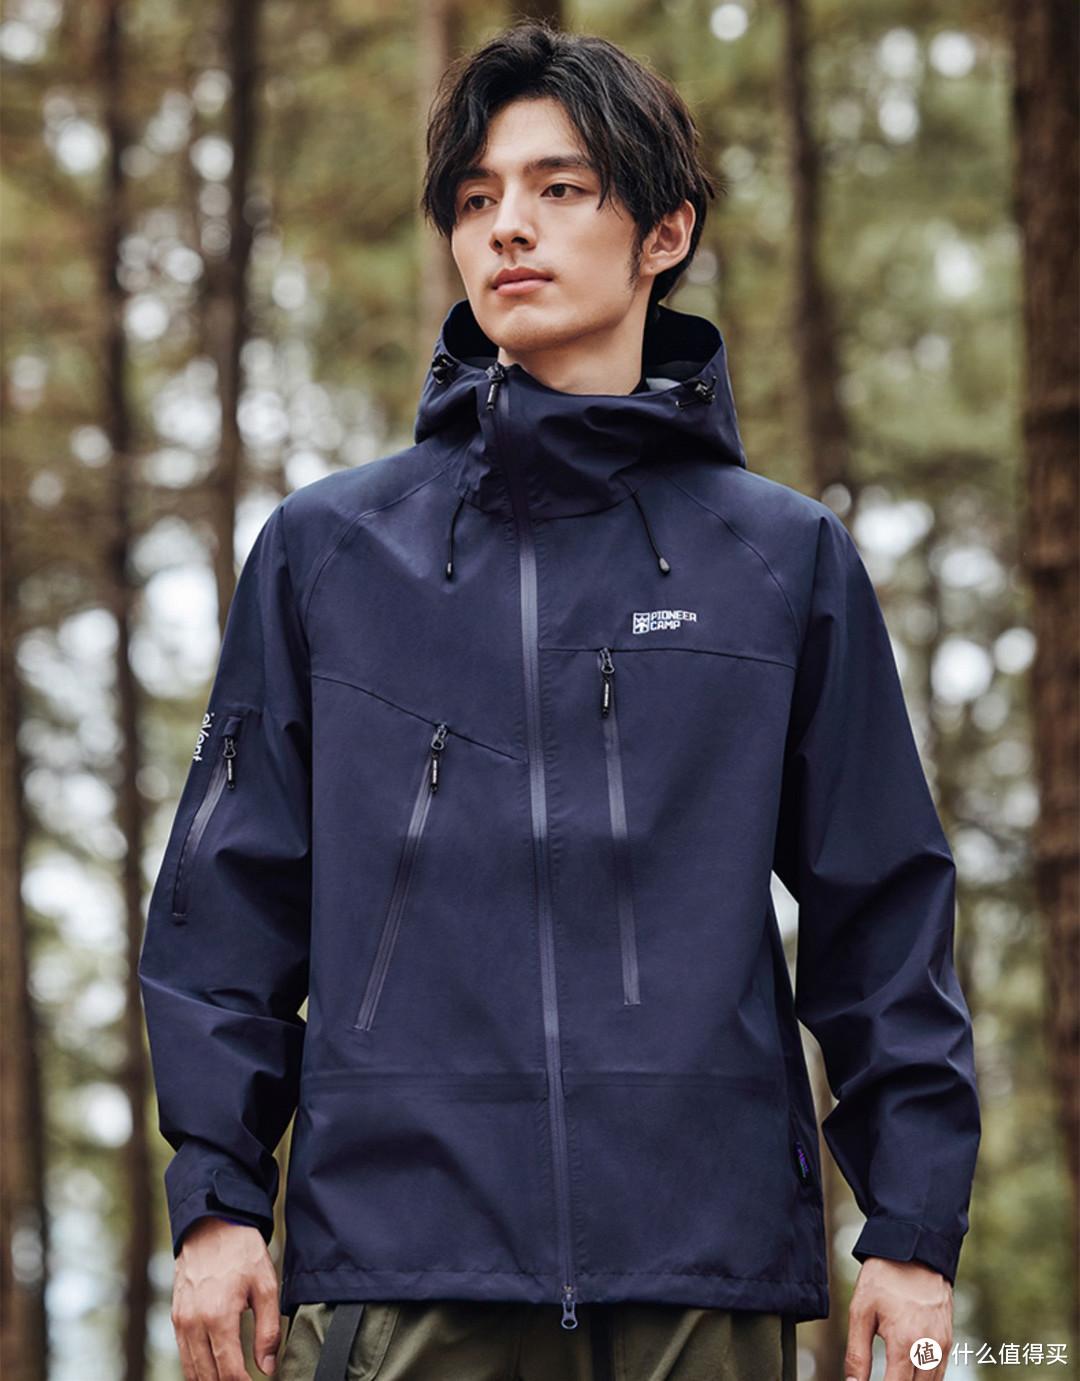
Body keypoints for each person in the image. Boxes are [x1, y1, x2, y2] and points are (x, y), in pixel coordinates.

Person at [137, 19, 980, 1381]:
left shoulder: (782, 561)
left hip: (700, 1276)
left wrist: (915, 1229)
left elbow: (882, 908)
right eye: (476, 200)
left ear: (664, 232)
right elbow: (227, 909)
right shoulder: (327, 555)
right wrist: (219, 1199)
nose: (507, 228)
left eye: (560, 187)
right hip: (402, 1274)